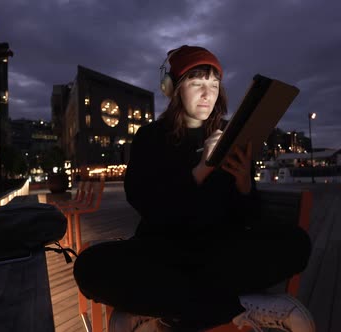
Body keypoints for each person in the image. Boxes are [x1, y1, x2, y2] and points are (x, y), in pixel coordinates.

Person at [74, 45, 314, 332]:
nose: (207, 93)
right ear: (173, 88)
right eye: (196, 82)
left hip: (219, 253)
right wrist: (200, 171)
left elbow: (248, 218)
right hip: (163, 252)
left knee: (296, 243)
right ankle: (238, 307)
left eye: (214, 84)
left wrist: (244, 185)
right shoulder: (150, 137)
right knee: (88, 268)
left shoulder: (231, 135)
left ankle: (158, 310)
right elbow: (147, 204)